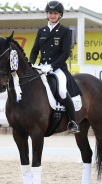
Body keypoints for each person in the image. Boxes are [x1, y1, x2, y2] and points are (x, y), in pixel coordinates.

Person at [29, 1, 80, 134]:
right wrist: (31, 64)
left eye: (55, 13)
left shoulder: (64, 31)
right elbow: (35, 50)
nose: (52, 15)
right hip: (42, 67)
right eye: (50, 13)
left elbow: (65, 53)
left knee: (62, 91)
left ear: (60, 15)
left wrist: (51, 66)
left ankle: (73, 121)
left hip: (58, 69)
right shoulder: (42, 31)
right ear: (47, 14)